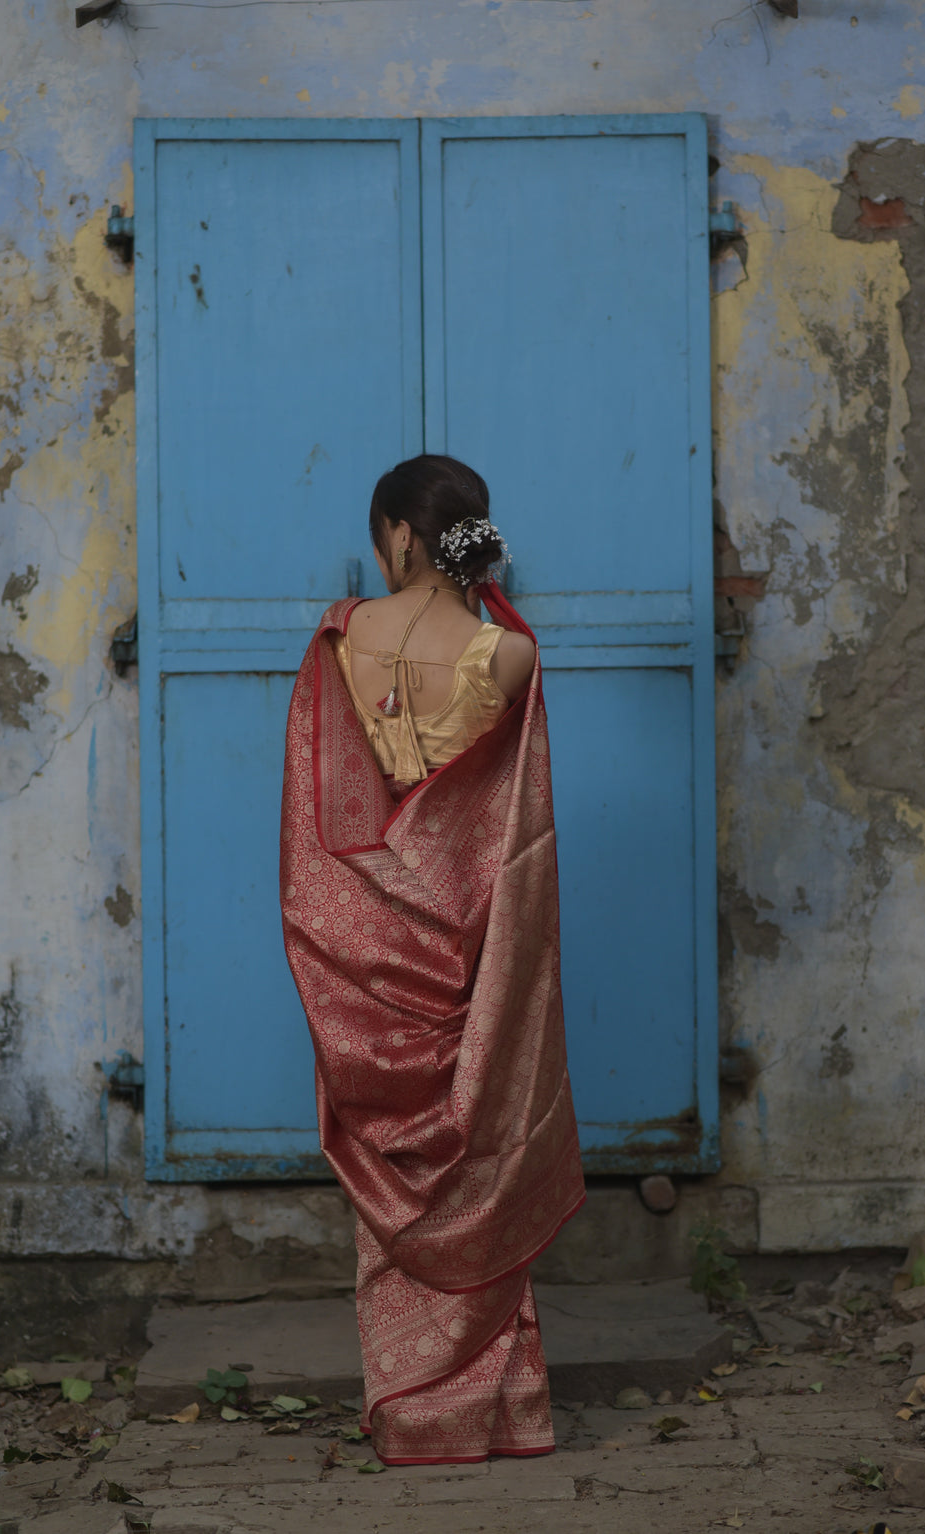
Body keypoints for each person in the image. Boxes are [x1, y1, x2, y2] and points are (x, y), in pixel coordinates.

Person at [280, 454, 584, 1466]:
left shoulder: (338, 638)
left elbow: (338, 802)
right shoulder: (507, 657)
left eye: (382, 535)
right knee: (481, 1156)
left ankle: (412, 1414)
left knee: (396, 1184)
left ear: (400, 537)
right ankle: (498, 1413)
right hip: (467, 948)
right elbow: (508, 829)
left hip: (377, 949)